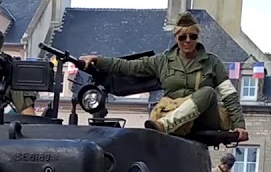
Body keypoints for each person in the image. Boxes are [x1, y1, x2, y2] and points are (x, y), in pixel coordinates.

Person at [79, 12, 249, 139]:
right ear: (176, 38)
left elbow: (229, 95)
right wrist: (98, 60)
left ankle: (164, 125)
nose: (188, 40)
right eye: (182, 37)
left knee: (208, 93)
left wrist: (239, 125)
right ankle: (166, 125)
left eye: (193, 36)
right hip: (174, 109)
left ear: (197, 37)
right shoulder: (162, 61)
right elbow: (129, 67)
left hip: (203, 118)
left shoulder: (212, 62)